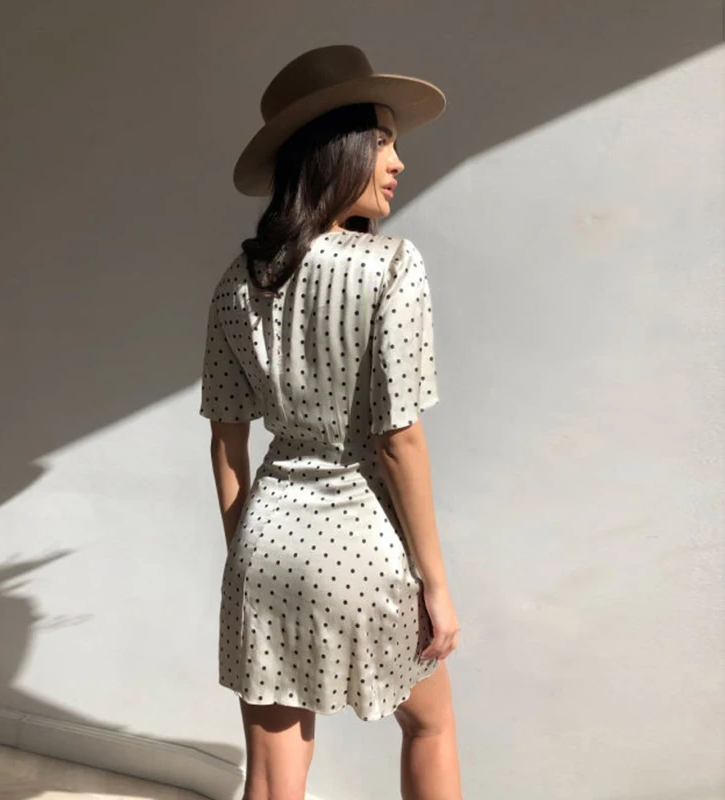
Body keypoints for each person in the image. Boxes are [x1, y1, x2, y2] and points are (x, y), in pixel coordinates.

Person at [200, 44, 463, 800]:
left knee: (272, 780)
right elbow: (398, 439)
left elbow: (226, 439)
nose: (397, 161)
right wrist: (436, 585)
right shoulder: (389, 266)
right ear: (336, 149)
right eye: (382, 141)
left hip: (265, 546)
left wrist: (245, 553)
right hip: (364, 545)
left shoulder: (237, 280)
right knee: (430, 728)